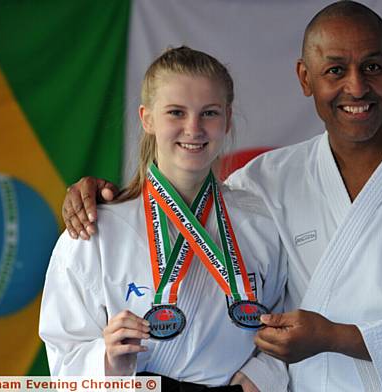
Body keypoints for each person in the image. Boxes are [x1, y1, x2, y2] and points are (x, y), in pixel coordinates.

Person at [62, 2, 382, 391]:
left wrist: (332, 337)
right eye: (334, 70)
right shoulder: (269, 180)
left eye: (372, 66)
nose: (356, 87)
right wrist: (107, 196)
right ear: (305, 78)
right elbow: (184, 208)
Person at [40, 46, 288, 392]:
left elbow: (288, 324)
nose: (193, 128)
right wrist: (107, 361)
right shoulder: (94, 233)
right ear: (147, 118)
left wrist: (264, 375)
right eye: (176, 112)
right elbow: (63, 358)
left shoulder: (261, 223)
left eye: (209, 113)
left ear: (228, 119)